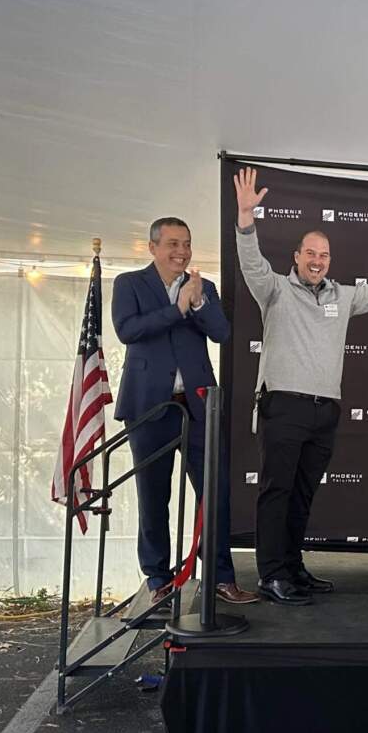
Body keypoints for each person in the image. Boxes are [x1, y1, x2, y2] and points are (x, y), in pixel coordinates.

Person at [233, 167, 368, 605]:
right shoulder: (274, 291)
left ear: (330, 261)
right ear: (296, 257)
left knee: (302, 495)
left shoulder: (341, 297)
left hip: (324, 410)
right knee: (277, 492)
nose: (317, 260)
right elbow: (251, 263)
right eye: (310, 253)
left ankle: (292, 567)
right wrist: (246, 220)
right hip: (283, 405)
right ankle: (271, 574)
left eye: (324, 255)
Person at [113, 217, 257, 605]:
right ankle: (158, 578)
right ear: (153, 247)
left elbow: (222, 334)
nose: (181, 251)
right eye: (173, 244)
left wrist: (198, 303)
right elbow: (127, 330)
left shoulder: (203, 287)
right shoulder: (129, 284)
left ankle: (221, 577)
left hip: (198, 407)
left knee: (214, 493)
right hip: (148, 407)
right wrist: (176, 309)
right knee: (153, 496)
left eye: (187, 244)